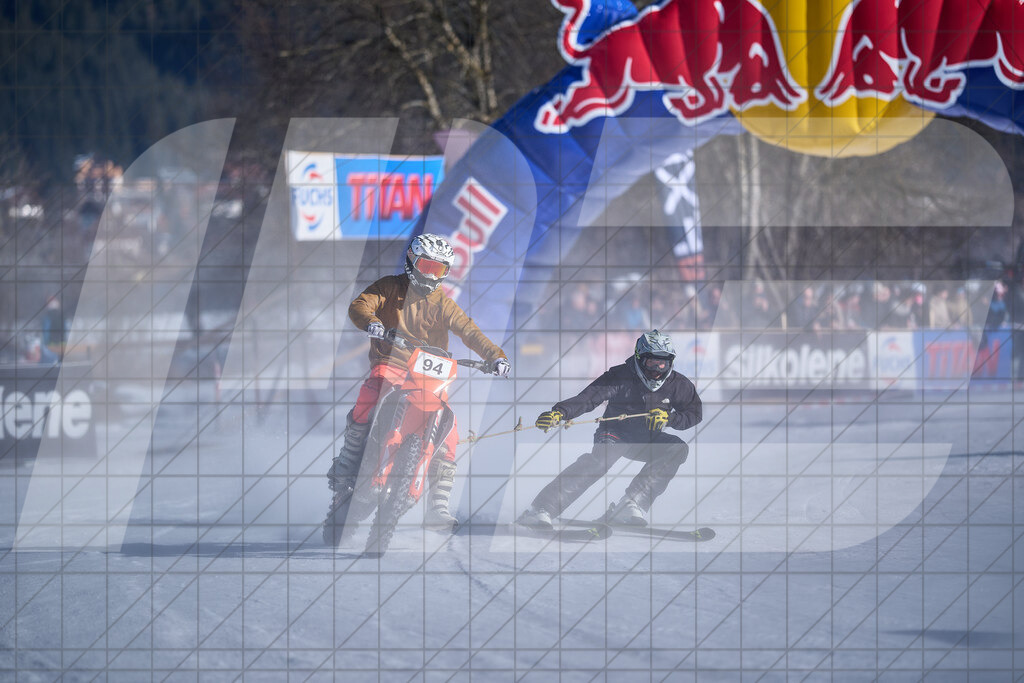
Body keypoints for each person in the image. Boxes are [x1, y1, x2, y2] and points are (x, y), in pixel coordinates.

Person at [327, 233, 511, 531]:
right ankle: (350, 457)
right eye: (425, 265)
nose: (430, 274)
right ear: (412, 260)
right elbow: (360, 305)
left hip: (431, 374)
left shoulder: (444, 304)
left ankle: (437, 506)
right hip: (392, 364)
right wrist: (371, 322)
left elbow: (470, 331)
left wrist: (495, 357)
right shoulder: (389, 286)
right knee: (372, 391)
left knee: (449, 429)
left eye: (438, 270)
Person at [518, 330, 702, 528]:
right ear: (640, 359)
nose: (657, 369)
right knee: (600, 461)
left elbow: (694, 413)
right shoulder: (620, 376)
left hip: (646, 439)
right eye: (651, 363)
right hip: (615, 433)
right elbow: (590, 398)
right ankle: (541, 508)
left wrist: (670, 418)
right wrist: (560, 413)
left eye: (663, 363)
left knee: (677, 448)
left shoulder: (677, 383)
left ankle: (631, 504)